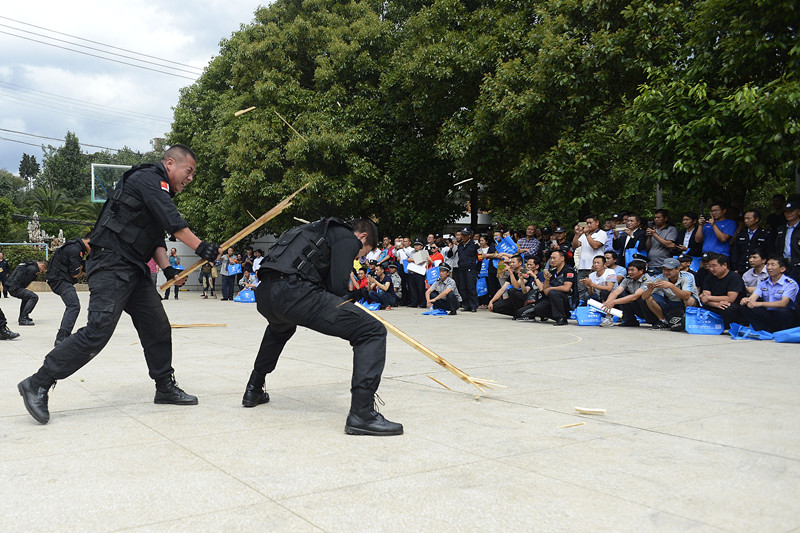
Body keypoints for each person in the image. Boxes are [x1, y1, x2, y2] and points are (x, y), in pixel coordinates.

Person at [18, 145, 220, 425]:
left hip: (133, 268)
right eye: (190, 171)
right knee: (98, 330)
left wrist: (169, 269)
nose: (191, 178)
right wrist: (202, 247)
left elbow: (155, 238)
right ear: (171, 163)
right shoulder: (149, 178)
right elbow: (172, 221)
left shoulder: (157, 190)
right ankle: (37, 383)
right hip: (112, 263)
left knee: (157, 326)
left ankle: (164, 386)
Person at [243, 217, 402, 436]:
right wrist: (353, 296)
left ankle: (254, 389)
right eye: (362, 253)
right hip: (295, 292)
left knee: (281, 328)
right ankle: (362, 414)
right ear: (362, 237)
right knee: (371, 331)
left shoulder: (311, 230)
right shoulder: (349, 238)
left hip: (266, 295)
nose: (358, 257)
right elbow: (336, 286)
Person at [46, 235, 91, 346]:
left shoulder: (74, 246)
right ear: (89, 241)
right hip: (60, 281)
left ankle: (63, 335)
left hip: (58, 279)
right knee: (74, 305)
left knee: (73, 305)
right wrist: (86, 268)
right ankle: (61, 337)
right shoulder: (75, 249)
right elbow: (75, 273)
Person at [740, 256, 800, 333]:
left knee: (782, 312)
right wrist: (746, 300)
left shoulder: (790, 283)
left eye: (772, 265)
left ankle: (780, 331)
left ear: (782, 269)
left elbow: (783, 303)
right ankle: (763, 330)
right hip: (769, 313)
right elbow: (753, 298)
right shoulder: (763, 282)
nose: (769, 267)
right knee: (745, 307)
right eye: (767, 265)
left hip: (785, 315)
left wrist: (759, 304)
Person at [641, 257, 700, 330]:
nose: (666, 272)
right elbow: (644, 297)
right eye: (664, 269)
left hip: (684, 302)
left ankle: (688, 321)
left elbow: (686, 296)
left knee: (690, 300)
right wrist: (650, 288)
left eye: (669, 270)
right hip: (671, 303)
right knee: (650, 297)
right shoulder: (660, 277)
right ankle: (663, 322)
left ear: (678, 269)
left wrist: (671, 286)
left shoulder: (687, 276)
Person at [526, 249, 575, 325]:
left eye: (554, 258)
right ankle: (560, 317)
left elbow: (566, 288)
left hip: (566, 299)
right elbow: (545, 291)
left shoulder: (568, 270)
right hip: (553, 297)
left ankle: (562, 318)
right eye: (551, 258)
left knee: (553, 292)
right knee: (538, 309)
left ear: (562, 258)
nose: (551, 260)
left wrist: (551, 288)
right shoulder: (552, 271)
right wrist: (547, 280)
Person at [601, 259, 656, 327]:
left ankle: (655, 321)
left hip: (650, 308)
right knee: (622, 295)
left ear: (641, 271)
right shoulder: (628, 279)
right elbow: (616, 292)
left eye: (632, 270)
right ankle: (630, 321)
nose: (629, 272)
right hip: (638, 305)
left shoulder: (648, 280)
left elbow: (636, 296)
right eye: (629, 270)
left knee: (642, 299)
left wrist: (614, 302)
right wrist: (608, 303)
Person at [699, 254, 745, 328]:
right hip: (714, 305)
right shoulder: (708, 278)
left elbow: (731, 299)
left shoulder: (735, 277)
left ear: (724, 265)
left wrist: (709, 298)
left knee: (728, 309)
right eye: (710, 266)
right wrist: (716, 304)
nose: (711, 269)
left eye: (714, 266)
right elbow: (705, 299)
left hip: (730, 305)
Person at [572, 215, 607, 303]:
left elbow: (595, 246)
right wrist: (576, 234)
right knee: (581, 289)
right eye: (587, 223)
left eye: (590, 223)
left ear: (597, 223)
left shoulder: (602, 233)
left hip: (595, 267)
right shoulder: (584, 235)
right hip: (582, 266)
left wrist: (587, 234)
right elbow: (575, 246)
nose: (588, 225)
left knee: (594, 290)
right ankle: (582, 308)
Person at [6, 259, 47, 325]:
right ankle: (23, 319)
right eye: (43, 269)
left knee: (27, 297)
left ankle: (23, 316)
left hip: (11, 286)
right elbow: (26, 281)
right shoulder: (33, 269)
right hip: (15, 288)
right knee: (34, 297)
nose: (42, 271)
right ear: (42, 265)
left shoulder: (28, 264)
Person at [731, 209, 771, 274]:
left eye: (748, 218)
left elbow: (769, 252)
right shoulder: (741, 234)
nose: (745, 221)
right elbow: (735, 252)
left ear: (756, 219)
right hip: (742, 268)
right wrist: (735, 268)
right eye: (744, 219)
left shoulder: (765, 234)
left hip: (758, 269)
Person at [450, 228, 480, 312]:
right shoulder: (460, 245)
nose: (463, 237)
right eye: (462, 235)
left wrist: (478, 268)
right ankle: (466, 305)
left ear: (469, 235)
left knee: (471, 287)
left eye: (465, 235)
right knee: (462, 287)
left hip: (471, 268)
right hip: (461, 268)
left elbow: (480, 257)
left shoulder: (474, 245)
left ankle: (474, 305)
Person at [645, 209, 677, 274]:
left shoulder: (671, 229)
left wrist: (654, 234)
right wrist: (649, 237)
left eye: (659, 217)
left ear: (665, 218)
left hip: (663, 263)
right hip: (651, 263)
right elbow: (647, 247)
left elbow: (667, 244)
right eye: (655, 217)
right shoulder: (653, 230)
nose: (656, 219)